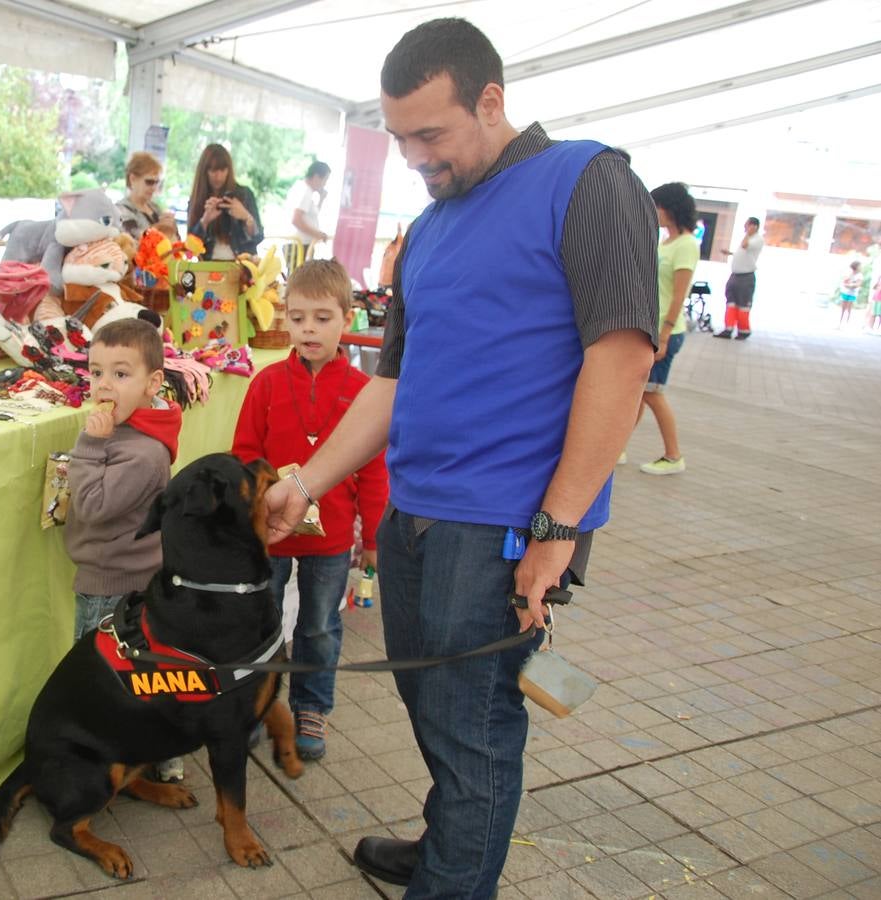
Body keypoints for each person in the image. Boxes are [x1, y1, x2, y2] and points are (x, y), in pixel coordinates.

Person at [261, 18, 656, 897]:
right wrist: (308, 481)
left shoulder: (586, 180)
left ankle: (453, 880)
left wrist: (555, 528)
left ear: (490, 100)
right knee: (432, 707)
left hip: (503, 525)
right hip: (415, 512)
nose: (415, 157)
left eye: (430, 135)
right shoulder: (430, 229)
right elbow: (391, 383)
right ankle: (451, 846)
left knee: (473, 722)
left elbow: (622, 357)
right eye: (400, 138)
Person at [230, 259, 388, 761]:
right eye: (297, 318)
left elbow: (375, 472)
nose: (309, 329)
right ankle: (257, 705)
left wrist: (375, 541)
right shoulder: (267, 383)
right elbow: (243, 455)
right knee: (262, 624)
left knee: (319, 627)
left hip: (334, 540)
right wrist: (246, 523)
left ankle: (312, 706)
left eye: (322, 318)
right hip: (271, 536)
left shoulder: (365, 394)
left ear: (347, 319)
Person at [63, 318, 184, 780]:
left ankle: (98, 763)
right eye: (95, 373)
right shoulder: (134, 433)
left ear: (153, 383)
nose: (104, 385)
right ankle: (160, 756)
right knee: (140, 673)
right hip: (127, 577)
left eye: (120, 374)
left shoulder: (142, 452)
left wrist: (89, 444)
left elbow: (92, 506)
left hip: (110, 583)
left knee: (99, 679)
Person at [634, 183, 698, 477]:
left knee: (652, 394)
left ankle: (673, 456)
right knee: (638, 393)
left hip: (667, 332)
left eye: (657, 206)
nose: (654, 212)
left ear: (670, 208)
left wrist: (664, 334)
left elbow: (679, 294)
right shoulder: (666, 242)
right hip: (653, 328)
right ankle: (613, 448)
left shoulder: (686, 245)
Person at [186, 144, 263, 260]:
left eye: (223, 170)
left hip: (242, 267)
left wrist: (246, 217)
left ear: (229, 170)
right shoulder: (198, 198)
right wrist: (204, 221)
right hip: (208, 267)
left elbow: (258, 237)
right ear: (204, 171)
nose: (218, 176)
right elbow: (189, 249)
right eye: (212, 170)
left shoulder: (244, 194)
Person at [715, 216, 763, 339]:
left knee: (743, 305)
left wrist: (748, 233)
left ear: (754, 226)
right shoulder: (749, 238)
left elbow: (745, 245)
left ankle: (744, 330)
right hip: (735, 275)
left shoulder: (757, 239)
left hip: (746, 277)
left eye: (747, 225)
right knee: (731, 303)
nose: (744, 227)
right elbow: (743, 253)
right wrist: (730, 253)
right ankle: (728, 328)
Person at [115, 151, 178, 243]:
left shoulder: (155, 208)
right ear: (132, 179)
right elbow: (132, 242)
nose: (154, 188)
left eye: (157, 182)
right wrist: (161, 228)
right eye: (149, 182)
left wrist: (172, 228)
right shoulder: (121, 210)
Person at [283, 161, 331, 272]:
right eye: (325, 179)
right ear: (316, 177)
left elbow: (310, 218)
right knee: (299, 281)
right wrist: (318, 234)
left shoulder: (305, 190)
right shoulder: (304, 191)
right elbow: (296, 219)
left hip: (301, 244)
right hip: (298, 245)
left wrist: (321, 199)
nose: (325, 184)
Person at [838, 260, 862, 329]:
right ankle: (840, 323)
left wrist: (850, 285)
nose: (860, 267)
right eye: (859, 266)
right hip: (845, 292)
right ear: (856, 266)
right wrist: (849, 279)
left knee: (849, 308)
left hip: (853, 293)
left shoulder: (860, 275)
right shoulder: (849, 273)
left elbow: (858, 284)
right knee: (843, 308)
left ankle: (846, 323)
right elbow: (844, 281)